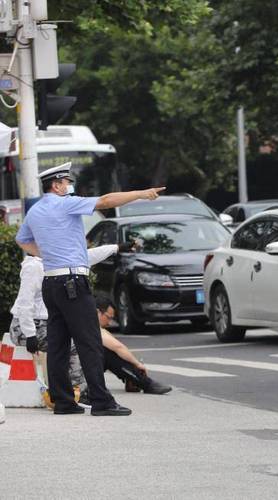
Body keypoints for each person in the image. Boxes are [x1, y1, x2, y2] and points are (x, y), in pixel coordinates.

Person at [15, 162, 164, 416]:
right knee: (90, 342)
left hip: (52, 283)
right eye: (66, 182)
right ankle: (101, 401)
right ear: (57, 185)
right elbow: (106, 200)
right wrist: (141, 193)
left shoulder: (35, 211)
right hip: (73, 282)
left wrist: (49, 254)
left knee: (58, 345)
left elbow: (22, 240)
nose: (69, 186)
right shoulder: (66, 203)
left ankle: (63, 401)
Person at [9, 243, 135, 403]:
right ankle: (79, 391)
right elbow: (24, 302)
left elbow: (88, 256)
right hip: (24, 327)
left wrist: (116, 248)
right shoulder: (33, 267)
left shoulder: (58, 263)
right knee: (71, 346)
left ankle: (69, 391)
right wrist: (30, 334)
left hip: (46, 324)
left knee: (78, 343)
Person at [78, 298, 171, 406]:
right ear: (97, 312)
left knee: (109, 353)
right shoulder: (87, 325)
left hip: (78, 370)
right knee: (107, 352)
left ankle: (133, 379)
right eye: (108, 317)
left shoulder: (85, 324)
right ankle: (145, 383)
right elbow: (118, 347)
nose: (109, 322)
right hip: (76, 374)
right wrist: (137, 364)